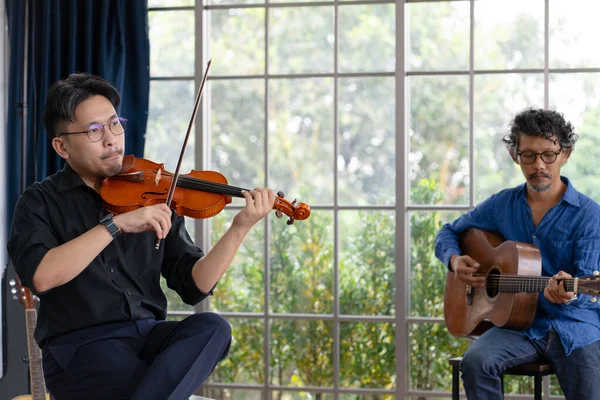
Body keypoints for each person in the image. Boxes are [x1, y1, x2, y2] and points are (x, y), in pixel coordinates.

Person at [7, 73, 276, 400]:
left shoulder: (151, 193)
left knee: (213, 328)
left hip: (148, 338)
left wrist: (240, 227)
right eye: (94, 130)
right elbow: (43, 276)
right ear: (61, 146)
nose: (111, 139)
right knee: (147, 380)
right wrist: (115, 225)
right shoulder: (38, 202)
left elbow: (195, 287)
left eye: (115, 124)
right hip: (81, 348)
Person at [435, 107, 600, 400]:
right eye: (529, 155)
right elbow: (448, 232)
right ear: (515, 156)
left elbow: (587, 294)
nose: (539, 165)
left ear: (565, 154)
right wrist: (454, 259)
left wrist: (570, 293)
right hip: (518, 326)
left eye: (549, 154)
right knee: (476, 363)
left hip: (574, 328)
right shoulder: (502, 204)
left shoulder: (589, 215)